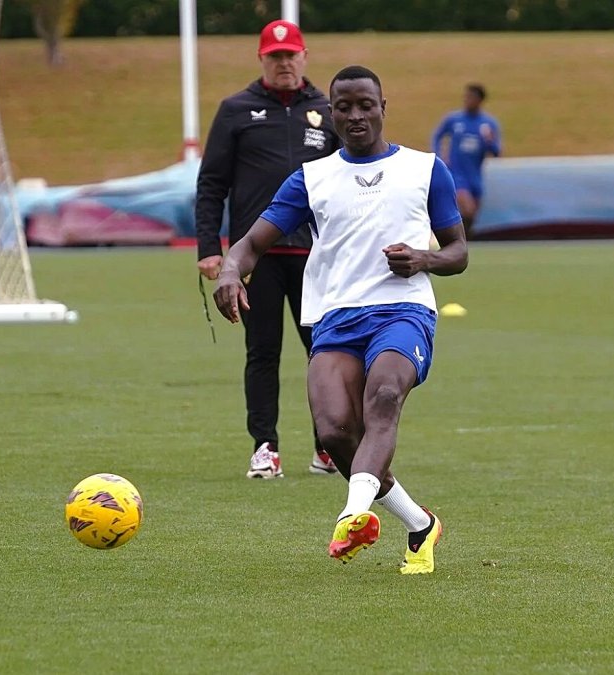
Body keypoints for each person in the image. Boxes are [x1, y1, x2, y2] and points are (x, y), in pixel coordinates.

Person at [214, 65, 467, 575]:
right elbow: (251, 243)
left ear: (382, 107)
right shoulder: (312, 178)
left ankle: (353, 515)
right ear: (331, 113)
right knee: (334, 432)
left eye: (364, 105)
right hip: (334, 317)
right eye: (343, 106)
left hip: (403, 310)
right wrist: (228, 270)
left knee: (385, 396)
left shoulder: (425, 169)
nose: (354, 115)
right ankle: (420, 525)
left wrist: (423, 258)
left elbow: (459, 252)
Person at [195, 19, 340, 479]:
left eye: (290, 55)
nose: (284, 64)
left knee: (325, 351)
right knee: (262, 351)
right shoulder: (236, 109)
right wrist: (209, 247)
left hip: (318, 254)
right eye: (275, 57)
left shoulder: (328, 110)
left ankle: (328, 445)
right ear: (262, 59)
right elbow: (211, 184)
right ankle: (265, 446)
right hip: (256, 258)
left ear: (304, 56)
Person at [431, 83, 501, 232]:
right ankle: (453, 242)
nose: (467, 100)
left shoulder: (488, 124)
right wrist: (438, 155)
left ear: (480, 100)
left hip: (475, 176)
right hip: (456, 174)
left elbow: (496, 153)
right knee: (467, 210)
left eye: (471, 97)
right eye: (466, 97)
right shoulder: (454, 119)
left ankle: (461, 246)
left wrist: (489, 141)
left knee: (471, 217)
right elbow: (437, 136)